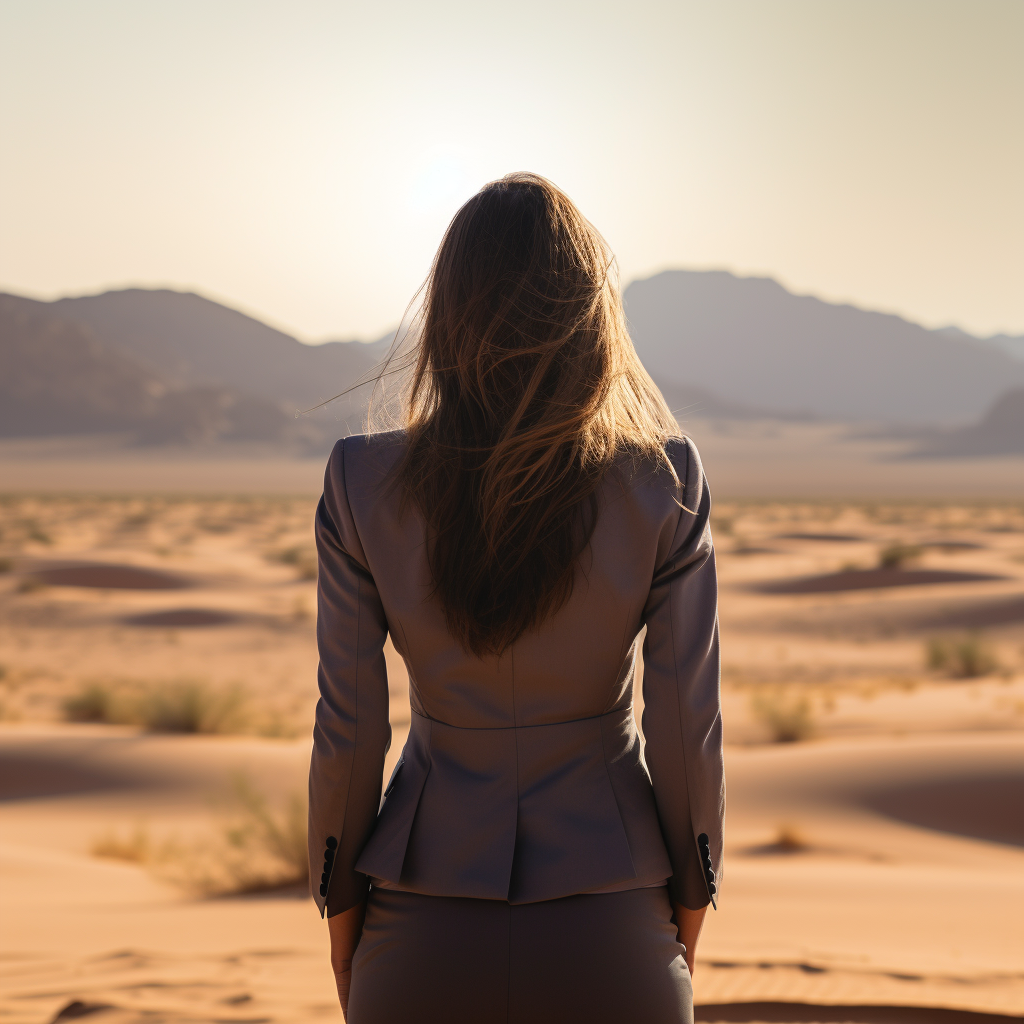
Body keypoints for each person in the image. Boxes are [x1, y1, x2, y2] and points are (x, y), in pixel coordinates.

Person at [308, 172, 725, 1024]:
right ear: (590, 318)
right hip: (614, 924)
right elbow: (686, 727)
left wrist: (343, 914)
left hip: (416, 929)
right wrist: (685, 908)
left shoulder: (361, 480)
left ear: (448, 314)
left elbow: (348, 733)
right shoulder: (663, 479)